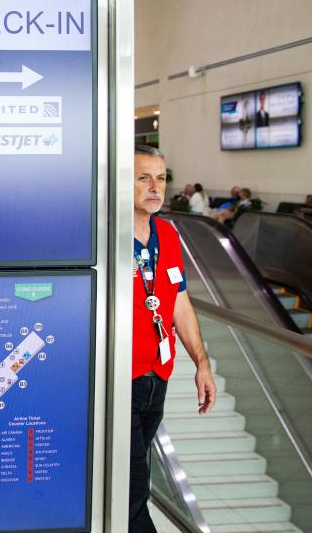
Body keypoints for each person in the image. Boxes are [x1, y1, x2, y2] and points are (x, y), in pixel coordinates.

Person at [130, 145, 216, 532]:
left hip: (157, 376)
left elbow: (179, 301)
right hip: (118, 378)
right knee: (132, 490)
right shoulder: (104, 235)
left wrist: (202, 363)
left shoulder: (166, 234)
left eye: (161, 178)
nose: (155, 187)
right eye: (143, 177)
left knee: (137, 475)